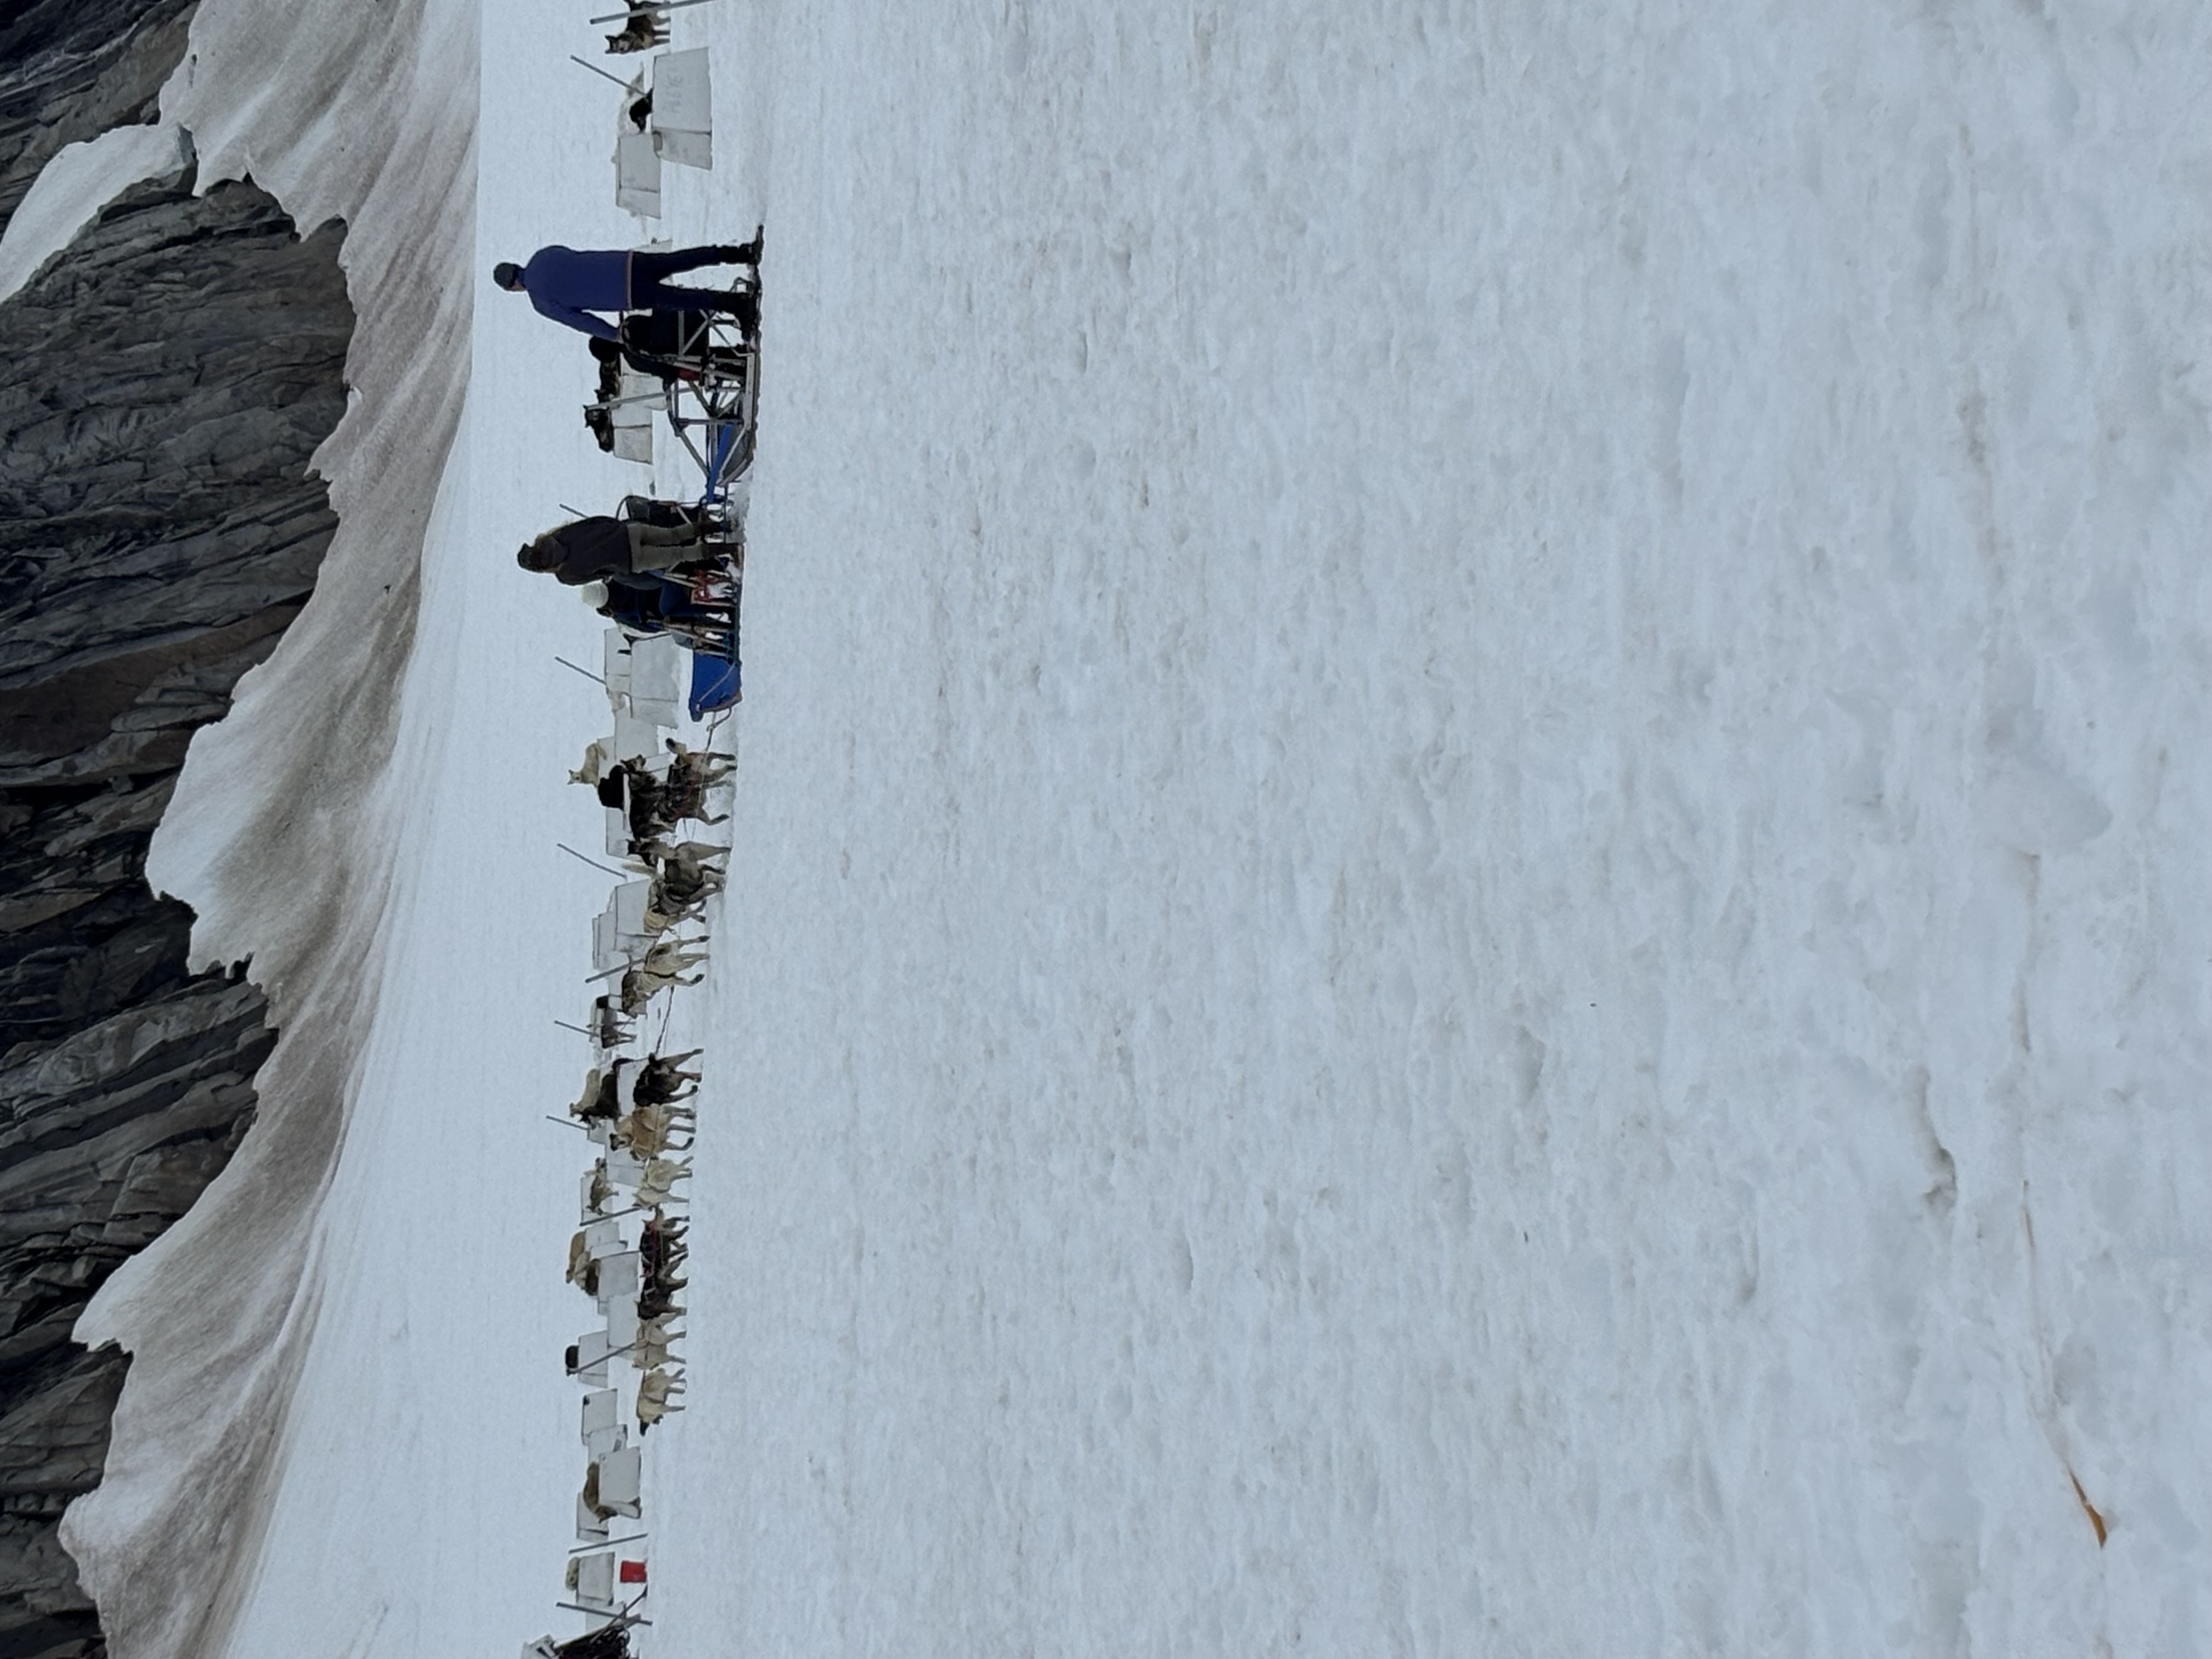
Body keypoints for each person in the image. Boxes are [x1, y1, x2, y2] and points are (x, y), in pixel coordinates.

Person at [493, 232, 763, 342]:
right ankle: (740, 253)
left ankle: (738, 305)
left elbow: (580, 321)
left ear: (512, 287)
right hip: (626, 262)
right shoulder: (543, 255)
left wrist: (613, 335)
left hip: (624, 294)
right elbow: (573, 256)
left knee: (682, 299)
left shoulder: (540, 301)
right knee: (680, 260)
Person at [516, 514, 709, 586]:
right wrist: (617, 527)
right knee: (673, 534)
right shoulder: (558, 536)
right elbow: (594, 522)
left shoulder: (565, 575)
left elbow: (599, 575)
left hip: (630, 560)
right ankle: (720, 525)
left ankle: (729, 550)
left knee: (681, 554)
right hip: (627, 532)